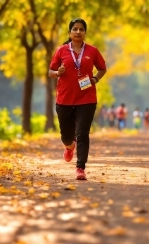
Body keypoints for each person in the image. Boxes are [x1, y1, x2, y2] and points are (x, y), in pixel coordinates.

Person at [48, 18, 107, 181]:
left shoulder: (92, 51)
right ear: (70, 32)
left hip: (86, 98)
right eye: (75, 29)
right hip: (64, 98)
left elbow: (102, 68)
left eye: (81, 29)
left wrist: (95, 79)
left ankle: (80, 167)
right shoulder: (61, 51)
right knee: (66, 136)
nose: (78, 32)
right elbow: (50, 71)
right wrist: (57, 73)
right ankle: (69, 146)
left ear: (85, 32)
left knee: (82, 133)